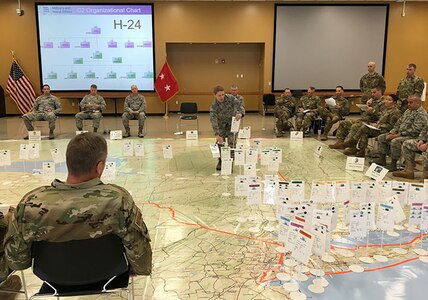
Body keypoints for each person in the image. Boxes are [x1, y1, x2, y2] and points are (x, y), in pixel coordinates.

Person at [4, 133, 152, 276]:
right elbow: (140, 257)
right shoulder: (119, 200)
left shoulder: (30, 202)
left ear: (68, 162)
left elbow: (17, 261)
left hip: (52, 276)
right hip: (109, 274)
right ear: (99, 167)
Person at [373, 95, 428, 171]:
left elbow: (415, 130)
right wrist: (392, 132)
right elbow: (398, 123)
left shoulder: (422, 114)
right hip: (400, 133)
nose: (408, 104)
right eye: (408, 102)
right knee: (381, 137)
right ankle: (382, 159)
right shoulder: (408, 111)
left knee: (395, 141)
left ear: (418, 103)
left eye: (411, 102)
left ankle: (393, 163)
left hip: (413, 136)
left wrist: (398, 135)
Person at [210, 85, 245, 171]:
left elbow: (240, 105)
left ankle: (230, 162)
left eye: (222, 94)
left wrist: (240, 113)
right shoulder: (214, 106)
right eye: (219, 95)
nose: (221, 97)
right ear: (215, 95)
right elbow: (213, 120)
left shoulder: (230, 98)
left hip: (232, 124)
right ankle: (221, 160)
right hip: (221, 125)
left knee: (232, 143)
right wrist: (217, 134)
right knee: (220, 144)